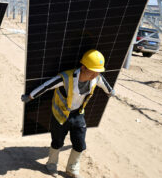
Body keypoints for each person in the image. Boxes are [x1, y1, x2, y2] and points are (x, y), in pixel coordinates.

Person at [21, 50, 115, 178]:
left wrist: (110, 92)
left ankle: (72, 168)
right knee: (57, 142)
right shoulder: (65, 78)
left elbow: (106, 86)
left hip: (78, 114)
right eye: (92, 71)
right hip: (60, 115)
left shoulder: (96, 78)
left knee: (80, 144)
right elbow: (46, 86)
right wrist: (30, 96)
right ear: (83, 67)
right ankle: (51, 164)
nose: (94, 75)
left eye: (97, 71)